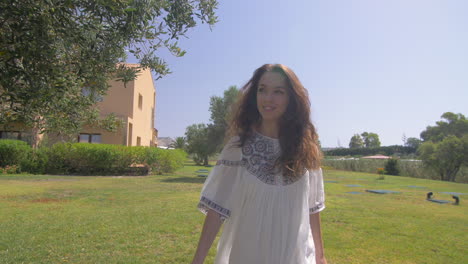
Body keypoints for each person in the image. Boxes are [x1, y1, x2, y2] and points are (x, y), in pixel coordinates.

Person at [191, 64, 327, 264]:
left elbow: (312, 209)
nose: (267, 98)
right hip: (248, 254)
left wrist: (321, 257)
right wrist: (198, 260)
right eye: (262, 90)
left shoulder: (306, 149)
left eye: (278, 92)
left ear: (291, 98)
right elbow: (217, 208)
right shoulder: (238, 147)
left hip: (295, 256)